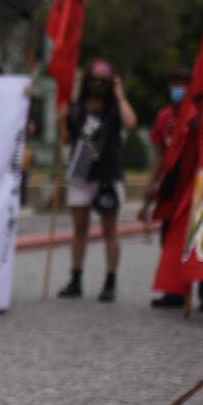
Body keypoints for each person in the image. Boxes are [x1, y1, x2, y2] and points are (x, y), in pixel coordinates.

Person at [56, 60, 136, 302]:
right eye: (95, 78)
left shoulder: (113, 108)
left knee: (109, 230)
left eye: (104, 79)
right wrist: (61, 119)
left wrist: (120, 95)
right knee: (79, 229)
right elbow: (67, 139)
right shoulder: (77, 108)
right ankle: (75, 279)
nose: (98, 83)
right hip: (81, 173)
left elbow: (131, 123)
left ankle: (110, 280)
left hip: (107, 177)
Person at [144, 66, 203, 311]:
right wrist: (152, 182)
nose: (178, 88)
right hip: (173, 185)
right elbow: (159, 152)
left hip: (199, 183)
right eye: (175, 83)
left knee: (202, 238)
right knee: (170, 239)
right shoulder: (165, 117)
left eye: (183, 83)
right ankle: (174, 290)